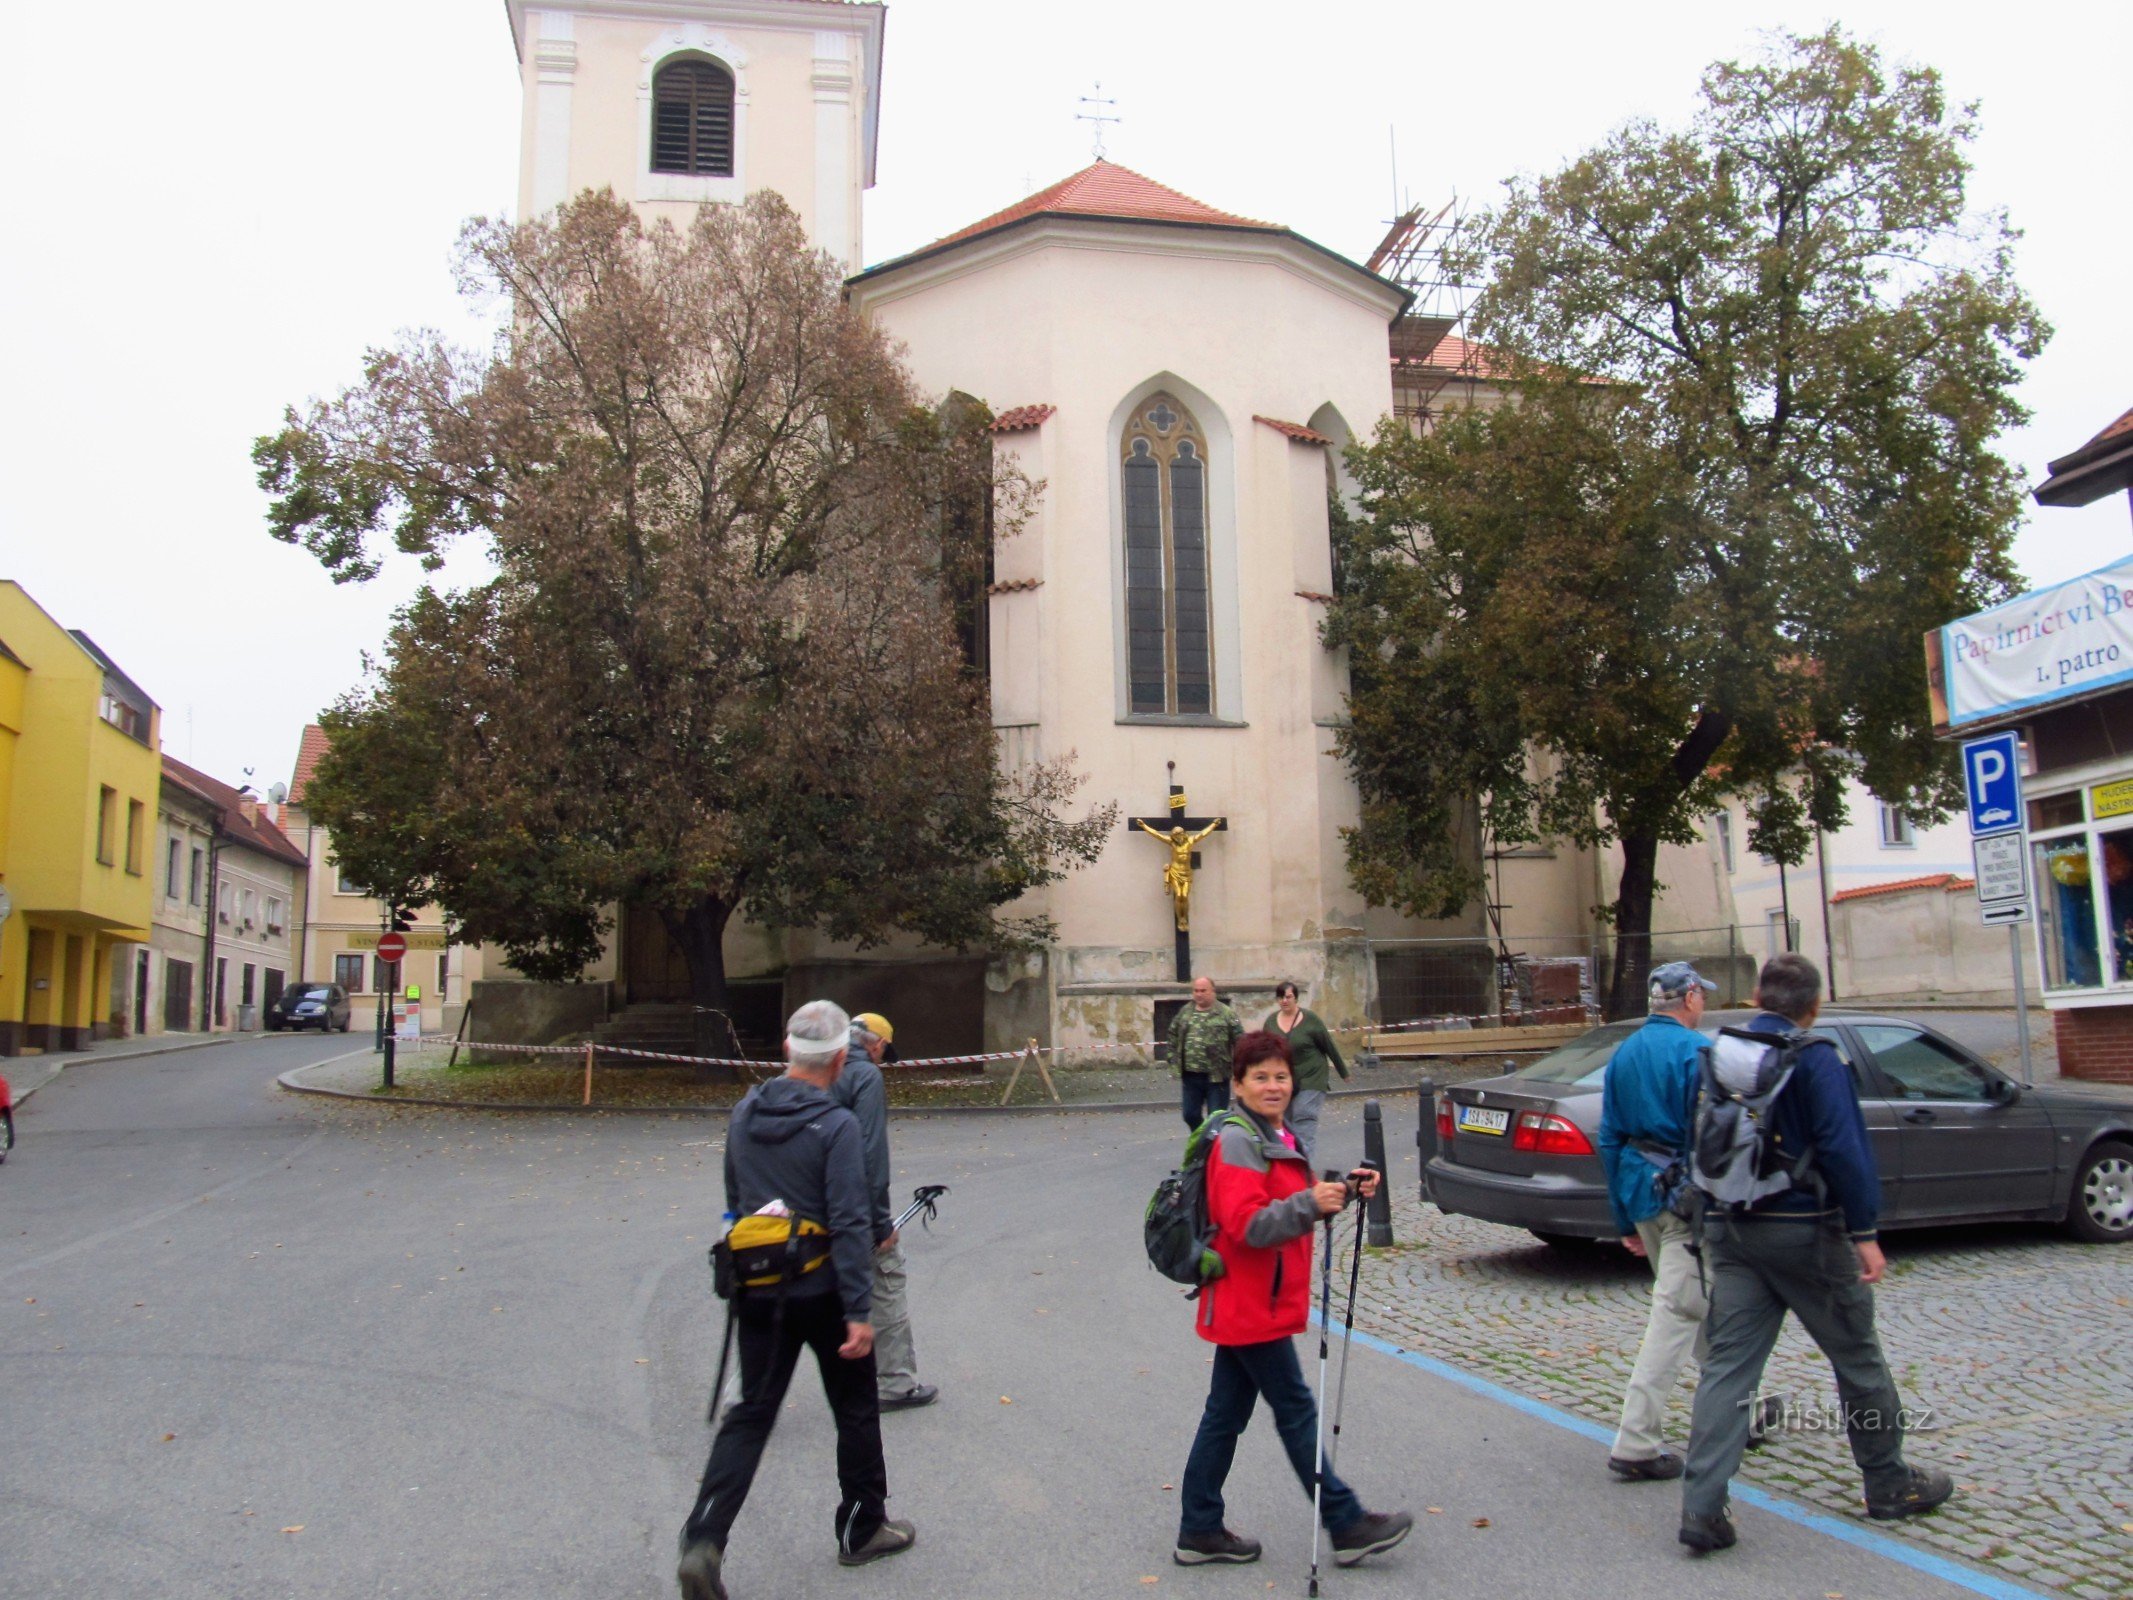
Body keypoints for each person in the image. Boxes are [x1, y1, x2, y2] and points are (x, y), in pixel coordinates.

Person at [1677, 954, 1952, 1553]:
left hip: (1732, 1227)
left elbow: (1695, 1136)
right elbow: (1843, 1148)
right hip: (1804, 1230)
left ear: (1755, 997)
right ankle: (1888, 1483)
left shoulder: (1721, 1055)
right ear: (1814, 1007)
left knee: (1728, 1369)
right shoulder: (1816, 1058)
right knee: (1856, 1357)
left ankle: (1701, 1508)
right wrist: (1865, 1231)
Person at [677, 1000, 915, 1600]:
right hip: (826, 1289)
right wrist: (860, 1313)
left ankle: (704, 1537)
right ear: (840, 1058)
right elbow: (849, 1216)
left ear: (786, 1051)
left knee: (750, 1414)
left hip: (760, 1285)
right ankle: (863, 1528)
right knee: (855, 1407)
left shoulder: (744, 1113)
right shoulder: (835, 1127)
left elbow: (737, 1201)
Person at [1174, 1030, 1414, 1570]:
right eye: (1259, 1076)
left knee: (1224, 1416)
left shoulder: (1276, 1135)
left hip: (1256, 1300)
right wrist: (1311, 1202)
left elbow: (1291, 1203)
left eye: (1280, 1075)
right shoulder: (1239, 1139)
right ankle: (1346, 1521)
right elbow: (1248, 1226)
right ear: (1237, 1085)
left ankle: (1199, 1527)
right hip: (1248, 1302)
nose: (1273, 1085)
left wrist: (1343, 1190)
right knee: (1295, 1410)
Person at [1594, 961, 1716, 1481]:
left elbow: (1609, 1138)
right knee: (1676, 1312)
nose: (1704, 1002)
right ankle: (1637, 1441)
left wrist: (1622, 1219)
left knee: (1699, 1303)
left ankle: (1742, 1408)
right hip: (1683, 1200)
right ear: (1688, 998)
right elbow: (1712, 1136)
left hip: (1638, 1191)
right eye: (1701, 995)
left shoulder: (1623, 1054)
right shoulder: (1698, 1052)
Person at [836, 1010, 936, 1410]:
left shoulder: (815, 1067)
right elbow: (870, 1153)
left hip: (805, 1208)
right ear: (875, 1043)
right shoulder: (865, 1076)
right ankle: (895, 1384)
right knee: (887, 1280)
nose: (881, 1059)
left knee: (788, 1295)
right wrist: (880, 1222)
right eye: (883, 1051)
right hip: (854, 1209)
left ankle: (746, 1397)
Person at [1263, 980, 1349, 1161]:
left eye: (1288, 997)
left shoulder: (1310, 1020)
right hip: (1285, 1080)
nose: (1284, 1001)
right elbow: (1265, 1050)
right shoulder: (1271, 1022)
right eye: (1281, 997)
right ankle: (1289, 1164)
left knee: (1303, 1117)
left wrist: (1343, 1072)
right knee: (1284, 1121)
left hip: (1312, 1076)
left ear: (1296, 998)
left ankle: (1304, 1166)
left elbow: (1328, 1045)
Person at [1169, 975, 1243, 1131]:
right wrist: (1173, 1059)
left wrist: (1240, 1068)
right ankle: (1201, 1139)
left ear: (1213, 991)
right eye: (1196, 991)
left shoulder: (1226, 1013)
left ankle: (1212, 1147)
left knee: (1215, 1119)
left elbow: (1240, 1041)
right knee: (1189, 1115)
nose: (1199, 994)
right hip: (1190, 1075)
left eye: (1203, 990)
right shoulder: (1185, 1012)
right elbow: (1173, 1034)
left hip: (1217, 1076)